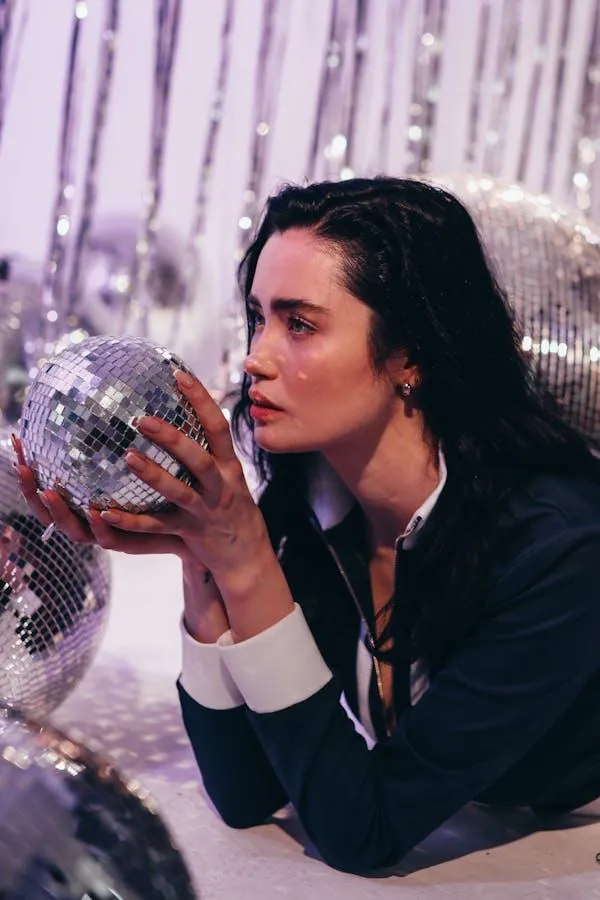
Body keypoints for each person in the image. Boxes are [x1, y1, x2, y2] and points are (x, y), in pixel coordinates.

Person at [14, 177, 600, 875]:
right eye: (257, 318)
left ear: (410, 354)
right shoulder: (313, 504)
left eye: (299, 324)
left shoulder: (558, 552)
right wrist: (204, 564)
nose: (256, 358)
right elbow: (245, 792)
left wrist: (247, 563)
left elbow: (364, 832)